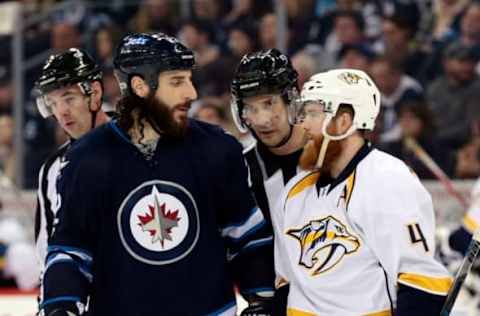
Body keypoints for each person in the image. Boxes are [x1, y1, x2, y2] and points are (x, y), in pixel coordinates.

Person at [38, 33, 274, 316]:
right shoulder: (87, 158)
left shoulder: (217, 148)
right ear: (140, 86)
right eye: (176, 82)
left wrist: (263, 301)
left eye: (188, 79)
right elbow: (71, 251)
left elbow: (247, 236)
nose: (191, 93)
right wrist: (60, 307)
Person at [273, 68, 452, 315]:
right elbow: (285, 285)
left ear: (344, 122)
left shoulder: (387, 180)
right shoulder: (294, 192)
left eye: (313, 113)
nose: (302, 124)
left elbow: (422, 282)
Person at [230, 48, 307, 314]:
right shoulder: (241, 169)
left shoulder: (330, 159)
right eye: (250, 107)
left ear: (292, 100)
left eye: (269, 103)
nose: (262, 119)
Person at [34, 48, 110, 271]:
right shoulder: (51, 169)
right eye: (53, 103)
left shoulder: (140, 145)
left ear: (95, 93)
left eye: (69, 98)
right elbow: (47, 251)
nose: (61, 112)